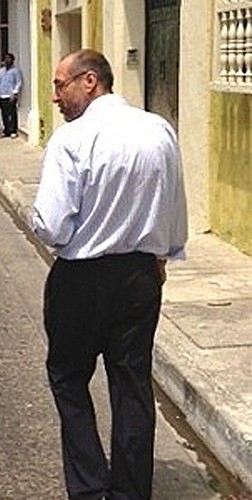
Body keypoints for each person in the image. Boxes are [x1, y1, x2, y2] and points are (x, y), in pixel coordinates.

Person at [32, 49, 188, 500]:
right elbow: (175, 205)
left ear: (89, 81)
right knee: (132, 382)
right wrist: (162, 256)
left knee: (68, 378)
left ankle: (88, 486)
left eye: (60, 85)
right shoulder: (159, 130)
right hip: (140, 275)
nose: (55, 97)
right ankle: (130, 490)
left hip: (81, 279)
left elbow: (52, 226)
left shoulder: (72, 139)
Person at [0, 53, 22, 138]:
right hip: (2, 95)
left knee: (12, 113)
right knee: (4, 114)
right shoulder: (1, 71)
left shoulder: (15, 71)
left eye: (9, 59)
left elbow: (18, 82)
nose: (7, 60)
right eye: (6, 59)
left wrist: (15, 93)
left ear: (12, 60)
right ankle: (6, 130)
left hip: (10, 96)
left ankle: (13, 130)